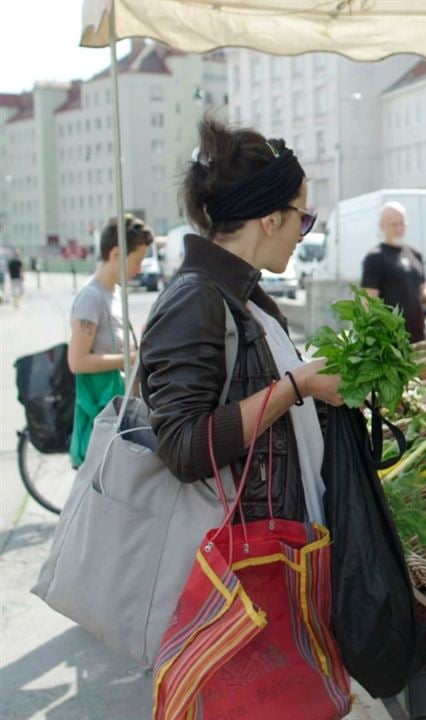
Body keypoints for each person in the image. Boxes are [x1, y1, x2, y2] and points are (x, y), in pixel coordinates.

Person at [139, 118, 342, 525]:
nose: (302, 234)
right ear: (270, 219)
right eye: (302, 217)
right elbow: (184, 447)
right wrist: (297, 386)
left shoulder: (244, 296)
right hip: (232, 562)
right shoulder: (195, 299)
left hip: (272, 543)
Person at [67, 215, 154, 467]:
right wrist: (130, 358)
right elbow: (77, 361)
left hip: (114, 415)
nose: (139, 269)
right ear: (116, 254)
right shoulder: (91, 297)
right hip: (101, 416)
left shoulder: (113, 294)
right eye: (136, 261)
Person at [361, 201, 426, 343]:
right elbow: (367, 302)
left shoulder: (415, 255)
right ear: (382, 226)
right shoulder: (375, 258)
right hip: (391, 342)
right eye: (393, 224)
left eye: (402, 224)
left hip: (418, 337)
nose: (399, 229)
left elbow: (423, 291)